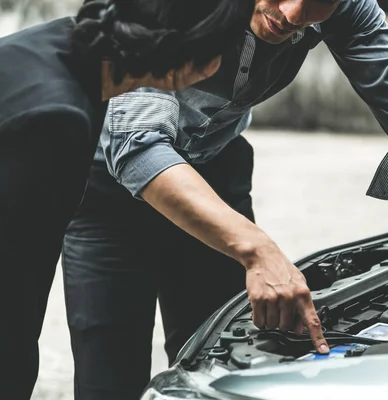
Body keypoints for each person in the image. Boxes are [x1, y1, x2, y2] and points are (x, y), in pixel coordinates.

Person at [62, 0, 388, 397]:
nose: (292, 15)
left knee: (226, 370)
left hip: (216, 173)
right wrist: (259, 249)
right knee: (109, 378)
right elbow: (137, 144)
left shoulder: (345, 6)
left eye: (316, 3)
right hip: (107, 196)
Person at [0, 0, 252, 397]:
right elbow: (13, 287)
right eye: (223, 52)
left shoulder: (65, 46)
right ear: (194, 63)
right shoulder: (57, 117)